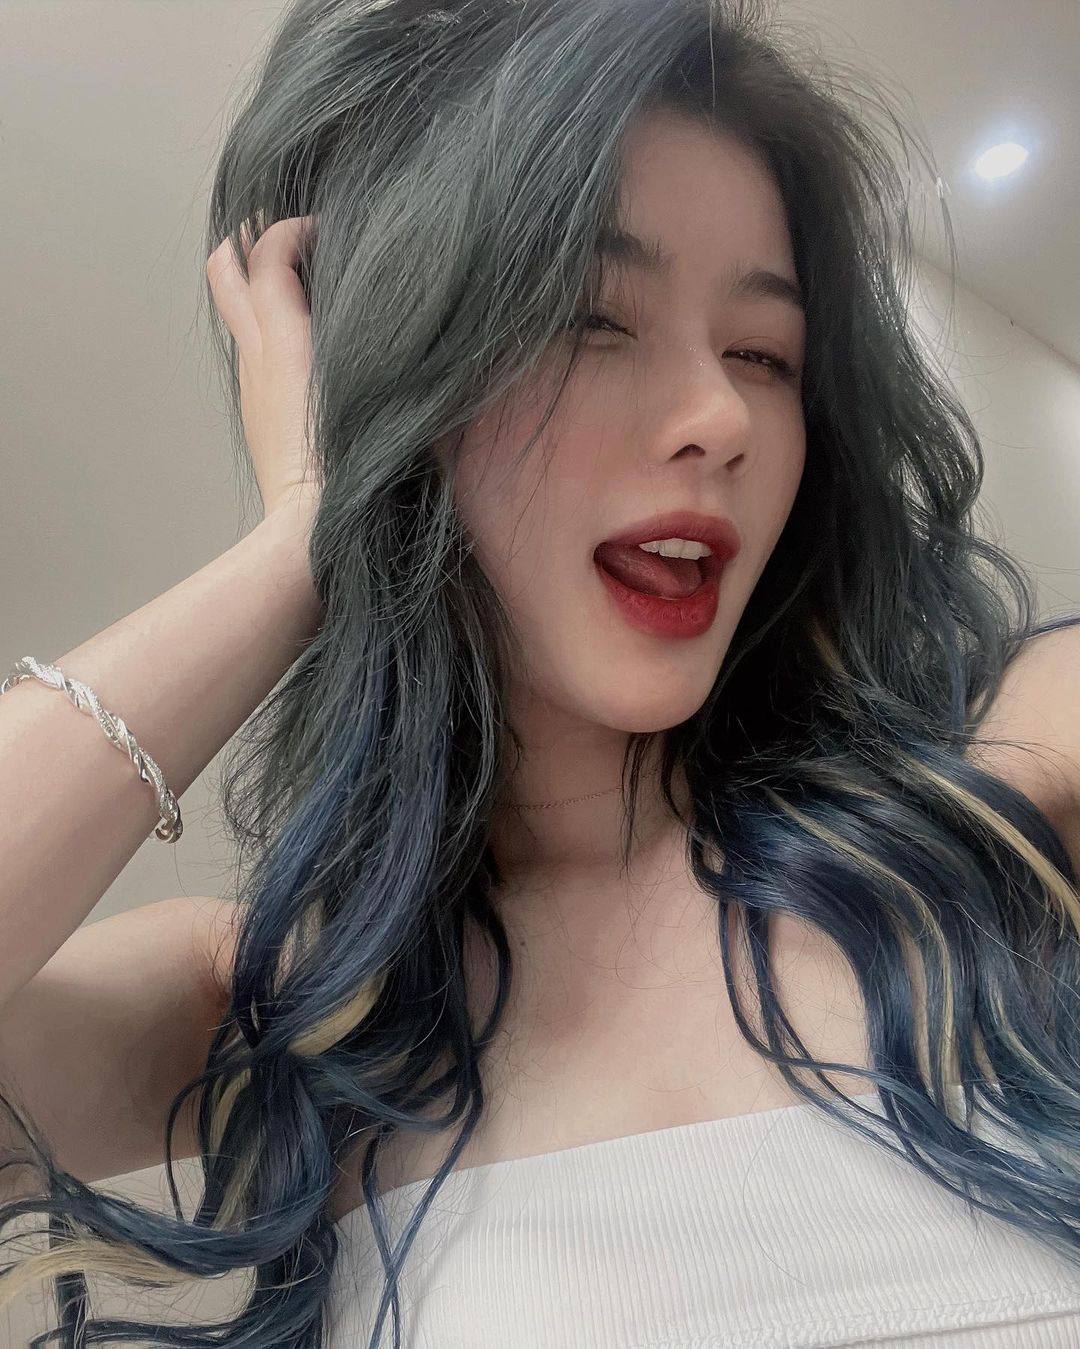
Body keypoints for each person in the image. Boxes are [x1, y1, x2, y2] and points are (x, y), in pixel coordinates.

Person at [1, 0, 1079, 1344]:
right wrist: (305, 539)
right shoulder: (285, 1010)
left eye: (764, 353)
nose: (719, 417)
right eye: (589, 320)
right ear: (403, 388)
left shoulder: (1003, 789)